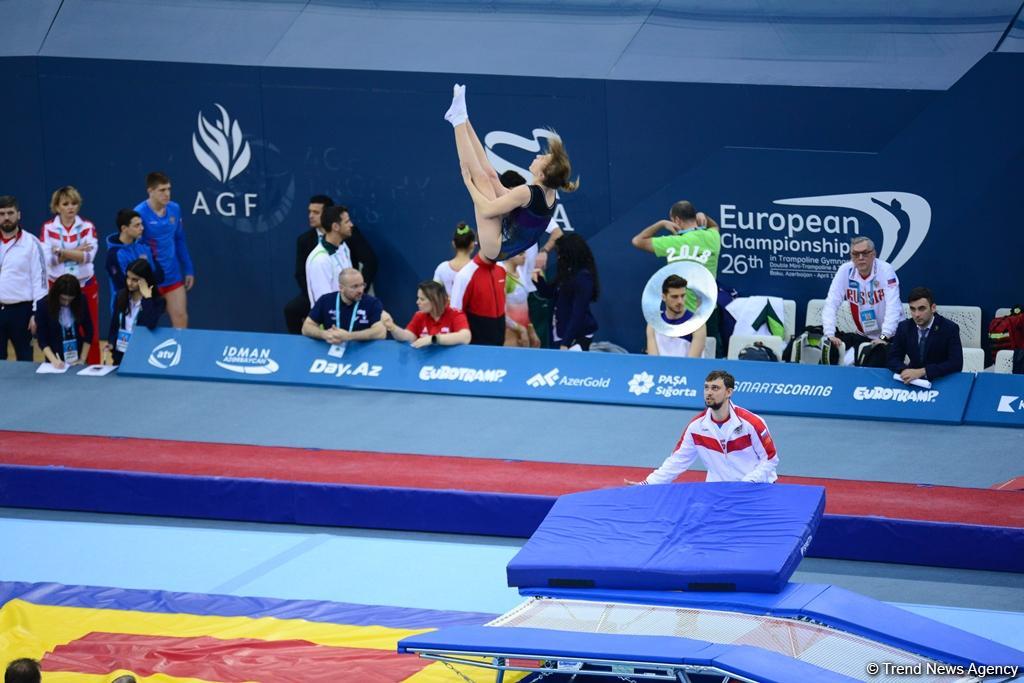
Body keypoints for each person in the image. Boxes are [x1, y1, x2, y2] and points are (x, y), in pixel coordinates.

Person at [444, 84, 578, 262]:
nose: (538, 155)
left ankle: (458, 122)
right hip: (510, 230)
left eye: (542, 159)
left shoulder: (527, 192)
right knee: (491, 175)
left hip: (497, 247)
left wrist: (468, 183)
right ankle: (463, 117)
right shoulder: (549, 190)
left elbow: (486, 210)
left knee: (481, 180)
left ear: (542, 175)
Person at [627, 370, 778, 485]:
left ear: (729, 392)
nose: (709, 393)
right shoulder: (696, 427)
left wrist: (746, 484)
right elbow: (677, 461)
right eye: (706, 388)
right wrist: (646, 484)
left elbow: (770, 460)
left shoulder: (752, 423)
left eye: (715, 388)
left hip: (756, 488)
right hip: (718, 492)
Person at [40, 186, 100, 363]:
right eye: (65, 204)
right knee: (56, 330)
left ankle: (93, 367)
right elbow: (47, 261)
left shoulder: (87, 226)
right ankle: (58, 365)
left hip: (85, 285)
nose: (70, 207)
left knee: (91, 330)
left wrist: (60, 251)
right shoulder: (48, 227)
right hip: (58, 287)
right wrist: (76, 250)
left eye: (74, 203)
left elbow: (88, 257)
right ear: (57, 207)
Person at [822, 236, 902, 365]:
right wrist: (829, 333)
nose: (860, 258)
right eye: (855, 254)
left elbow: (894, 306)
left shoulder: (885, 270)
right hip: (863, 335)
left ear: (874, 254)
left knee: (876, 366)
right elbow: (831, 302)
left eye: (865, 253)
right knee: (851, 366)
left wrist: (884, 337)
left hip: (891, 336)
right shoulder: (845, 270)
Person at [631, 200, 720, 309]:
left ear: (677, 220)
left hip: (683, 313)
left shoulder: (672, 243)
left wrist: (661, 223)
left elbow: (637, 241)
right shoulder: (713, 237)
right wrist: (704, 216)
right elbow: (715, 226)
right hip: (709, 311)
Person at [135, 172, 195, 328]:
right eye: (162, 190)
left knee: (181, 317)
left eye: (168, 189)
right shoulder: (139, 213)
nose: (167, 194)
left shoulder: (175, 209)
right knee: (146, 324)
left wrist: (188, 269)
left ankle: (182, 352)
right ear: (150, 191)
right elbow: (136, 247)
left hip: (173, 276)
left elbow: (179, 239)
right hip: (150, 279)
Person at [532, 232, 599, 350]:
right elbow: (549, 293)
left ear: (570, 254)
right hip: (559, 332)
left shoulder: (583, 278)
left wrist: (566, 342)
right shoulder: (566, 273)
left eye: (560, 254)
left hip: (576, 337)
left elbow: (578, 312)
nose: (558, 257)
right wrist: (538, 280)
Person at [0, 195, 47, 361]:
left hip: (21, 312)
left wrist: (36, 313)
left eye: (10, 213)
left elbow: (40, 281)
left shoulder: (32, 243)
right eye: (2, 213)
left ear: (18, 215)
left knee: (25, 361)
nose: (6, 217)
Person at [887, 287, 963, 383]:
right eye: (913, 309)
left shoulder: (949, 328)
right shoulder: (904, 327)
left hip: (940, 380)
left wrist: (923, 371)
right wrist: (904, 370)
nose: (916, 314)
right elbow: (893, 358)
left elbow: (956, 363)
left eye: (921, 309)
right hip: (912, 381)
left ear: (933, 308)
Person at [284, 194, 333, 333]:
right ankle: (300, 349)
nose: (311, 216)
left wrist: (356, 289)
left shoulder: (345, 235)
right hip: (314, 294)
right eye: (309, 212)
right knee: (291, 310)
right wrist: (313, 297)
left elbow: (370, 261)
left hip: (343, 293)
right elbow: (300, 273)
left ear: (328, 214)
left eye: (316, 212)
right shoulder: (304, 240)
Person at [302, 268, 385, 344]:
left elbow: (381, 332)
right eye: (355, 286)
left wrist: (349, 336)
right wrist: (324, 334)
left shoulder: (372, 303)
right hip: (332, 349)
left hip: (362, 352)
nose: (360, 290)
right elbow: (306, 327)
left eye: (362, 285)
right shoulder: (326, 300)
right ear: (341, 288)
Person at [107, 259, 166, 365]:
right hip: (120, 358)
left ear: (145, 280)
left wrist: (147, 298)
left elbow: (150, 324)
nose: (129, 282)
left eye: (135, 279)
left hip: (142, 358)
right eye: (128, 277)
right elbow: (114, 325)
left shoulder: (157, 301)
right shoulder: (120, 296)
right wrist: (111, 342)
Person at [382, 280, 471, 348]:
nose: (417, 302)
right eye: (418, 298)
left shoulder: (455, 314)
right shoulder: (419, 316)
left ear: (435, 300)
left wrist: (433, 339)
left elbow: (465, 337)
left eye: (422, 299)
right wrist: (393, 327)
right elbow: (408, 337)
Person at [104, 209, 162, 308]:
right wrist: (146, 277)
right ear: (124, 228)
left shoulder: (144, 247)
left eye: (141, 224)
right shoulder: (113, 255)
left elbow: (160, 275)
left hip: (148, 306)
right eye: (137, 225)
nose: (142, 228)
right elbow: (122, 285)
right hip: (124, 307)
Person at [34, 274, 93, 369]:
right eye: (63, 299)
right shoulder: (43, 305)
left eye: (70, 300)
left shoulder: (81, 300)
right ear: (56, 294)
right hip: (55, 358)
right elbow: (42, 339)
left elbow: (89, 332)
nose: (66, 303)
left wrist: (82, 359)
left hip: (78, 357)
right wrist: (54, 361)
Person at [450, 250, 507, 347]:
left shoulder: (502, 269)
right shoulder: (465, 275)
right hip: (476, 345)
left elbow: (503, 304)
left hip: (499, 343)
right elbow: (455, 313)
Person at [645, 274, 707, 358]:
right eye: (674, 297)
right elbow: (653, 361)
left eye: (683, 296)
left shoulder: (697, 324)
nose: (680, 301)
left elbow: (692, 363)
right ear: (663, 297)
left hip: (686, 370)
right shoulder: (653, 323)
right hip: (659, 370)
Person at [305, 205, 354, 307]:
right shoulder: (320, 260)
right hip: (330, 321)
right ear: (335, 227)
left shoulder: (344, 248)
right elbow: (324, 302)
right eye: (347, 222)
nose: (351, 224)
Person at [433, 222, 476, 295]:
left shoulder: (442, 268)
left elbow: (433, 294)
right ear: (472, 244)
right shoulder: (477, 269)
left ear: (454, 244)